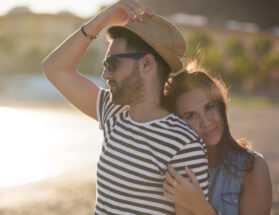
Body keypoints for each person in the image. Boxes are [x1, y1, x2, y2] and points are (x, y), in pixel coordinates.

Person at [42, 0, 209, 214]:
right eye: (105, 65)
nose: (105, 75)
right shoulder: (113, 113)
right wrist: (103, 19)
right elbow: (54, 68)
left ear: (147, 64)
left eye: (113, 64)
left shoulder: (183, 144)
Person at [162, 67, 272, 215]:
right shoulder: (169, 171)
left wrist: (201, 208)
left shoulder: (253, 168)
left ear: (220, 106)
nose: (206, 122)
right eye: (191, 116)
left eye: (209, 107)